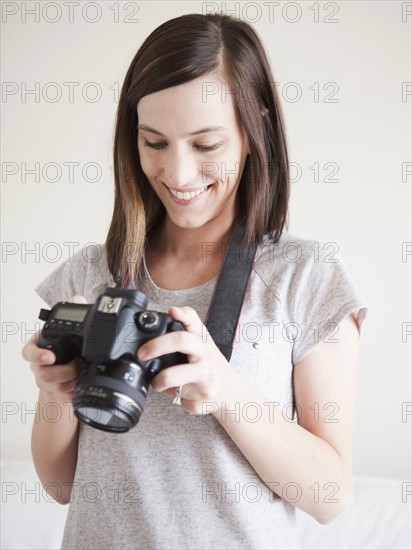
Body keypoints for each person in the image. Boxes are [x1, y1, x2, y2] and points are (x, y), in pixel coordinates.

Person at [22, 13, 368, 550]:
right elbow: (60, 485)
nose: (178, 175)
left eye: (206, 146)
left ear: (254, 132)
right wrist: (55, 392)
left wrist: (226, 391)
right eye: (154, 143)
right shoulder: (91, 276)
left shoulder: (307, 278)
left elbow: (329, 494)